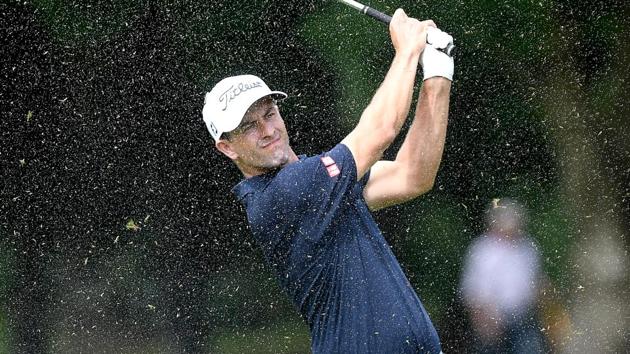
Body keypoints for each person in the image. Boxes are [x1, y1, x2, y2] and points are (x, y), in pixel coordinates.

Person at [203, 9, 453, 353]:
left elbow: (413, 175)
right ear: (227, 147)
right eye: (249, 126)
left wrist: (438, 74)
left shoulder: (319, 181)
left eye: (269, 114)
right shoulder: (283, 194)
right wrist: (408, 49)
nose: (267, 131)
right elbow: (380, 130)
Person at [459, 198, 547, 353]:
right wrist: (483, 320)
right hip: (491, 318)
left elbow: (535, 282)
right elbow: (474, 291)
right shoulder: (482, 249)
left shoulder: (527, 248)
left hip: (523, 317)